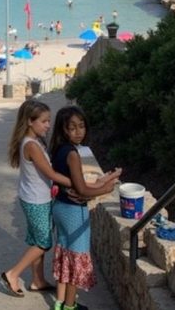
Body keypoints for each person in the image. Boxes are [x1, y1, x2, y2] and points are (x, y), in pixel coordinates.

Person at [0, 100, 76, 298]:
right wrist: (76, 182)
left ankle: (38, 280)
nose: (48, 125)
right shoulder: (32, 145)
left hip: (32, 197)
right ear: (29, 122)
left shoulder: (32, 140)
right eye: (44, 121)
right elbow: (50, 173)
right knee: (43, 243)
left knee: (36, 239)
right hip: (36, 200)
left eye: (49, 121)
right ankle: (12, 274)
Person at [49, 106, 121, 310]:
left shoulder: (58, 149)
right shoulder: (72, 154)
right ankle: (70, 306)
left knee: (64, 254)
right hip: (74, 212)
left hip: (60, 207)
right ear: (63, 129)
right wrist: (106, 188)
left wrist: (101, 181)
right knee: (76, 260)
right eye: (72, 127)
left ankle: (59, 303)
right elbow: (80, 188)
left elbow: (73, 183)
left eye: (81, 126)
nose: (78, 131)